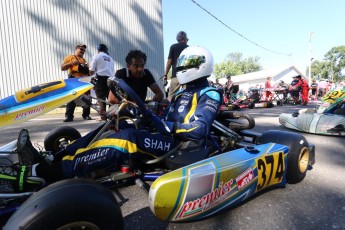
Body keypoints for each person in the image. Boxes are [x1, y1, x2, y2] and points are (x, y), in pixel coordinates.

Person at [1, 46, 222, 192]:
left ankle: (46, 174)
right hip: (165, 134)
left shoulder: (209, 94)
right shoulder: (183, 93)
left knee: (127, 138)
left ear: (201, 67)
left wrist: (165, 124)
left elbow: (198, 130)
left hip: (181, 145)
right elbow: (166, 113)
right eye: (180, 65)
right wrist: (149, 114)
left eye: (186, 66)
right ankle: (53, 157)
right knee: (116, 126)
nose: (181, 69)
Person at [61, 44, 92, 122]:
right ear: (76, 49)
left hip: (84, 80)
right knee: (71, 98)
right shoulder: (70, 57)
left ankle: (86, 115)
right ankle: (69, 116)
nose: (82, 51)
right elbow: (62, 68)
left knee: (86, 97)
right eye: (81, 49)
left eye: (84, 50)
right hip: (73, 79)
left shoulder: (84, 60)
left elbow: (89, 72)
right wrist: (71, 63)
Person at [89, 44, 115, 121]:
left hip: (100, 78)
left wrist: (92, 78)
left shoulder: (97, 56)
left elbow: (91, 70)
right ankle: (111, 116)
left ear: (98, 49)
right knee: (110, 98)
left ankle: (103, 118)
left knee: (101, 98)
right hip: (110, 79)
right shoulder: (110, 58)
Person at [164, 31, 189, 101]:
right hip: (186, 76)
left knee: (171, 95)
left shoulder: (173, 47)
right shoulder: (188, 48)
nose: (187, 41)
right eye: (187, 40)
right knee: (188, 95)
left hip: (176, 75)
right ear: (184, 39)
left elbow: (169, 62)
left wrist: (165, 74)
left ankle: (168, 110)